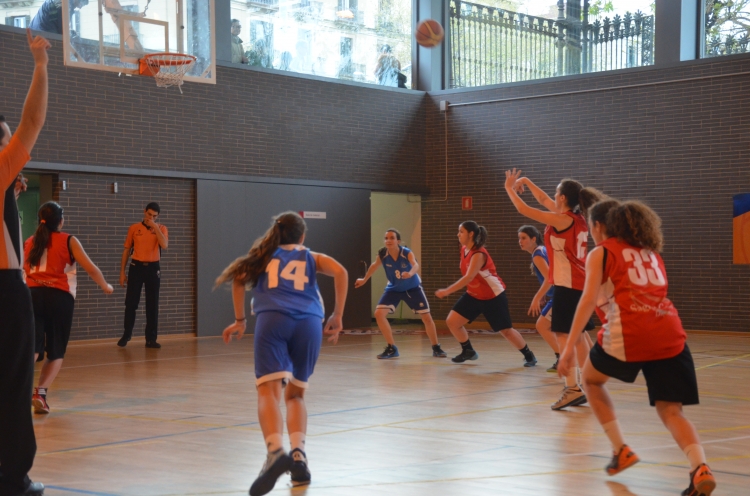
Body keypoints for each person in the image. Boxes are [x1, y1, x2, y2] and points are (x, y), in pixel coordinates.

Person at [558, 199, 716, 496]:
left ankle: (621, 450)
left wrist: (567, 349)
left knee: (590, 380)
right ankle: (700, 467)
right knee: (672, 411)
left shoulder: (601, 252)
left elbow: (587, 300)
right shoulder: (650, 251)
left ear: (598, 226)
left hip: (630, 332)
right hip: (670, 332)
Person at [216, 211, 347, 496]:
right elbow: (341, 271)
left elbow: (238, 279)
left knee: (268, 392)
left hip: (273, 320)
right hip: (309, 323)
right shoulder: (311, 257)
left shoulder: (263, 257)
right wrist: (337, 315)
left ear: (276, 233)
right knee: (296, 395)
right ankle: (298, 456)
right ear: (302, 236)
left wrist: (240, 320)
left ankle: (276, 451)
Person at [0, 28, 50, 496]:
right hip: (3, 288)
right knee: (14, 383)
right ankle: (12, 478)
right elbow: (32, 121)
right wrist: (39, 65)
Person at [504, 169, 601, 410]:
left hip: (568, 284)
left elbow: (524, 209)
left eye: (556, 193)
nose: (553, 196)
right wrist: (526, 181)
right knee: (580, 337)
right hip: (580, 283)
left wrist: (508, 188)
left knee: (565, 336)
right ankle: (590, 384)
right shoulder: (576, 218)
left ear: (564, 198)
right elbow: (542, 199)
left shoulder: (563, 220)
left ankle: (573, 388)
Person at [25, 202, 114, 414]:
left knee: (33, 349)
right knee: (56, 350)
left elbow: (20, 269)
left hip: (31, 295)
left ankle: (15, 391)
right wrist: (105, 285)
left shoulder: (29, 241)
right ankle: (40, 394)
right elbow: (91, 268)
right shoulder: (68, 240)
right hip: (59, 298)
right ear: (61, 221)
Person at [435, 221, 537, 366]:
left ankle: (529, 355)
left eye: (461, 232)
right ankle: (468, 350)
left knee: (506, 331)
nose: (458, 234)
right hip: (474, 295)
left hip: (493, 295)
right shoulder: (464, 249)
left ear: (471, 234)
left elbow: (469, 277)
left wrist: (447, 291)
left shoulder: (479, 254)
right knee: (452, 321)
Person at [355, 228, 446, 359]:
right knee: (379, 314)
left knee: (426, 317)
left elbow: (415, 265)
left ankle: (436, 347)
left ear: (398, 241)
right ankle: (392, 347)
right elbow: (374, 266)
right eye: (386, 238)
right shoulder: (383, 254)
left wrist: (410, 273)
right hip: (393, 289)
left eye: (392, 238)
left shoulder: (406, 252)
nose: (388, 240)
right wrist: (364, 280)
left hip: (412, 288)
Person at [118, 202, 168, 348]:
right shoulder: (134, 228)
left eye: (154, 216)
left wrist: (155, 227)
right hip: (136, 267)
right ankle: (126, 334)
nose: (151, 218)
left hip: (153, 268)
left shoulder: (162, 228)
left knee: (152, 304)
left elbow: (164, 245)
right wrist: (122, 272)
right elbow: (126, 250)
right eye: (149, 214)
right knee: (131, 303)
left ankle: (151, 338)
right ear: (144, 211)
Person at [517, 225, 559, 372]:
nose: (520, 241)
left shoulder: (537, 254)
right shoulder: (542, 250)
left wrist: (537, 297)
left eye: (524, 238)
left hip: (560, 294)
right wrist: (543, 295)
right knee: (577, 331)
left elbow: (549, 279)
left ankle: (562, 358)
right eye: (519, 238)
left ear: (533, 239)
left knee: (542, 325)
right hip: (560, 292)